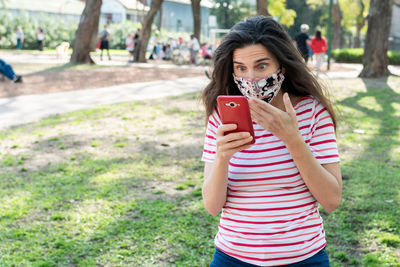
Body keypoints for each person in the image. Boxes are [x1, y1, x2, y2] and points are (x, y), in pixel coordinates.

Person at [201, 16, 341, 266]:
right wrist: (222, 158)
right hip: (232, 258)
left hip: (304, 258)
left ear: (282, 67)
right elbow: (212, 207)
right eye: (241, 68)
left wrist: (293, 140)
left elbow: (331, 200)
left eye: (262, 66)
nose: (251, 78)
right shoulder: (221, 117)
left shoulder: (312, 113)